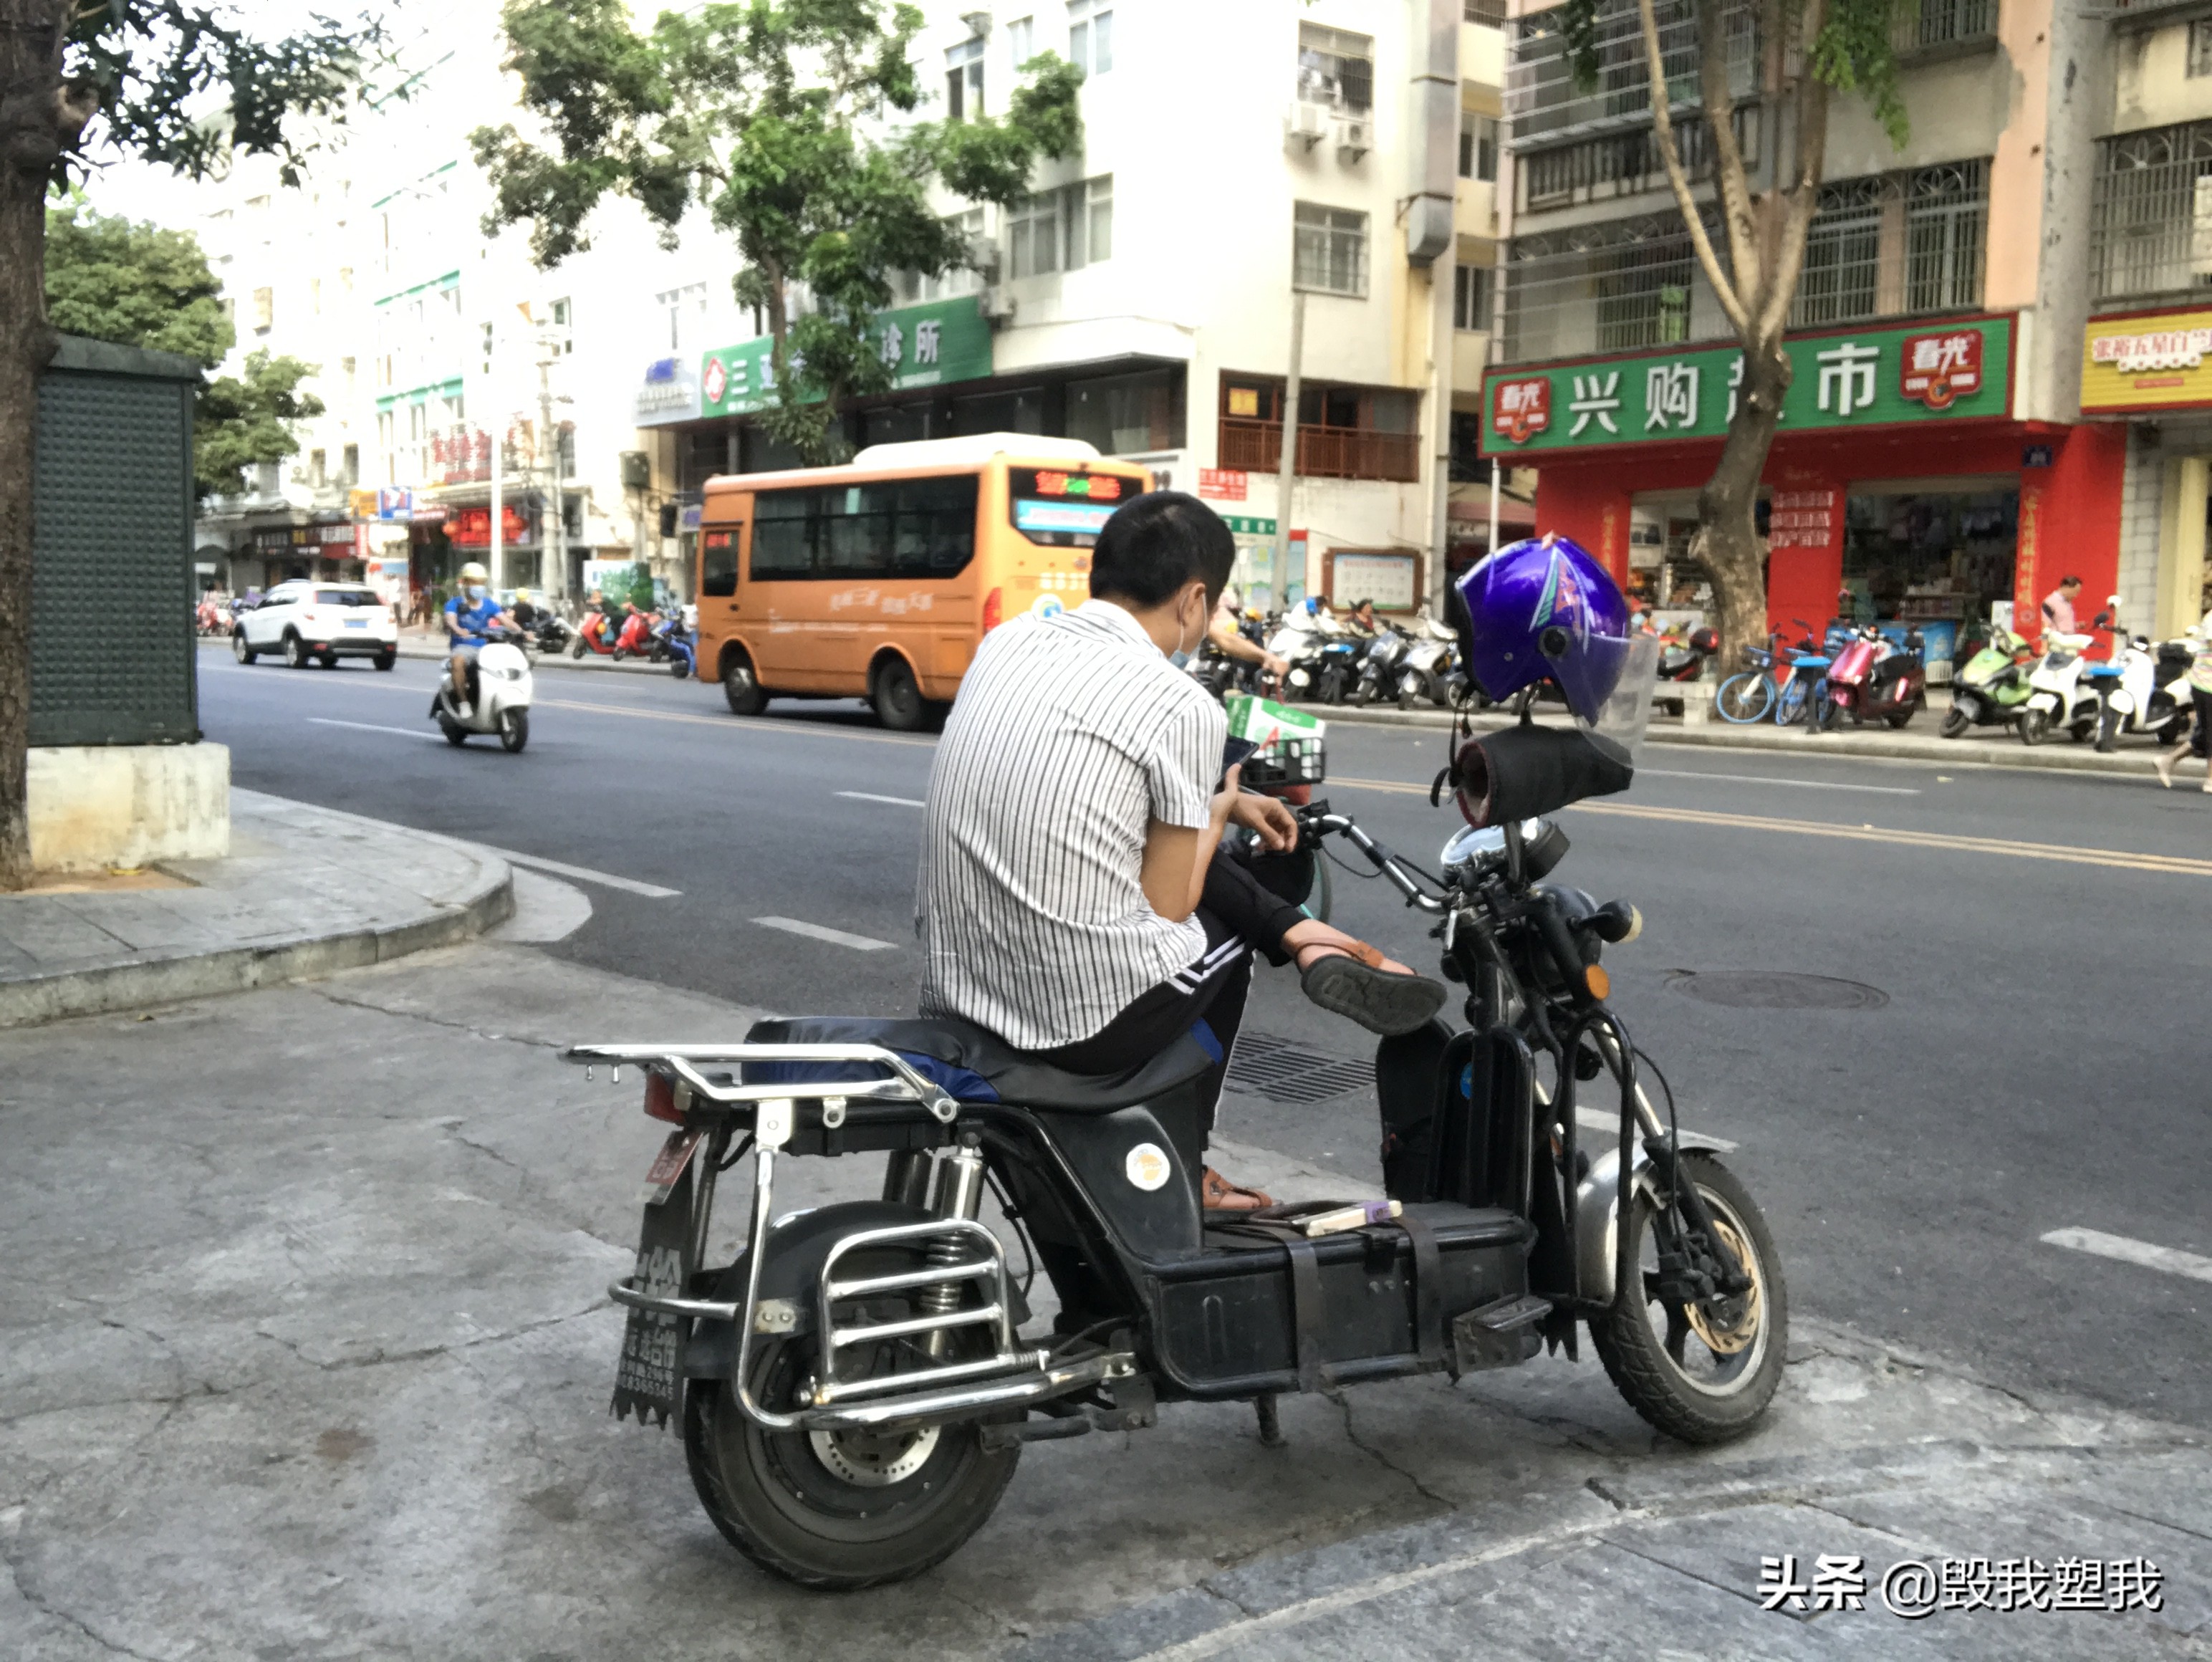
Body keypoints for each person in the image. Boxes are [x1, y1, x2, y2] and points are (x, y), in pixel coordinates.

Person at [915, 491, 1446, 1210]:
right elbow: (1171, 904)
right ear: (1195, 599)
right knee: (1218, 942)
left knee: (1200, 852)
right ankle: (1187, 1166)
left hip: (956, 991)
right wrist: (1221, 800)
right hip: (1072, 1022)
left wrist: (1218, 806)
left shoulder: (1006, 643)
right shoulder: (1180, 702)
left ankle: (1302, 930)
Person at [443, 562, 511, 719]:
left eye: (481, 583)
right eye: (474, 582)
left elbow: (505, 620)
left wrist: (522, 631)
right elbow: (451, 620)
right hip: (464, 647)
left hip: (486, 648)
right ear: (465, 583)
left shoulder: (489, 604)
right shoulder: (455, 603)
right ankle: (464, 703)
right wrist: (458, 630)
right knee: (458, 662)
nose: (478, 586)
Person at [2154, 629, 2212, 792]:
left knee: (2206, 732)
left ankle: (2168, 760)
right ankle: (2210, 779)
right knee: (2210, 731)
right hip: (2207, 683)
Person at [1206, 587, 1289, 683]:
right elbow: (1226, 640)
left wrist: (1266, 657)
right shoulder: (1242, 625)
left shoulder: (1254, 626)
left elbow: (1226, 640)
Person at [2042, 575, 2083, 640]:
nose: (2076, 596)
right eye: (2075, 592)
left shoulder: (2068, 603)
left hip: (2069, 642)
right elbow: (2045, 627)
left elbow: (2060, 622)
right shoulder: (2050, 602)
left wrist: (2076, 625)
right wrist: (2044, 646)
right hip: (2057, 644)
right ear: (2066, 587)